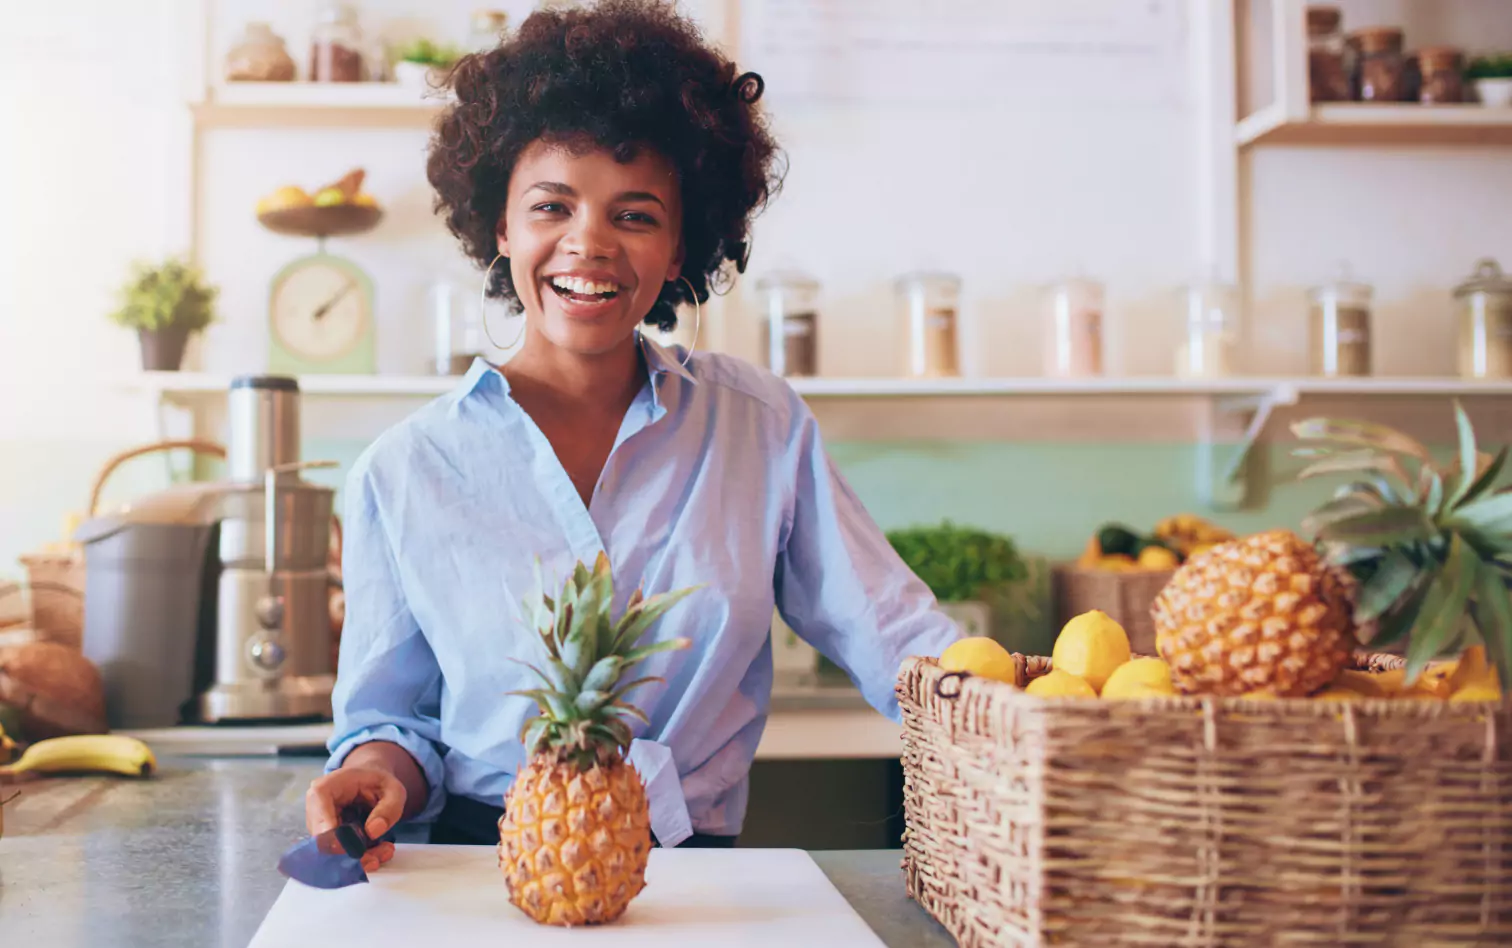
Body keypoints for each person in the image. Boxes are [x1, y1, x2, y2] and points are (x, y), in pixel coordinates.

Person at [304, 0, 963, 873]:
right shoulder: (407, 469)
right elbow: (394, 722)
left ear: (682, 241)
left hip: (702, 874)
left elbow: (896, 634)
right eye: (551, 206)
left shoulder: (758, 428)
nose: (590, 244)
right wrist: (374, 771)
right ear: (501, 227)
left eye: (636, 214)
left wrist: (1033, 704)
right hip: (486, 869)